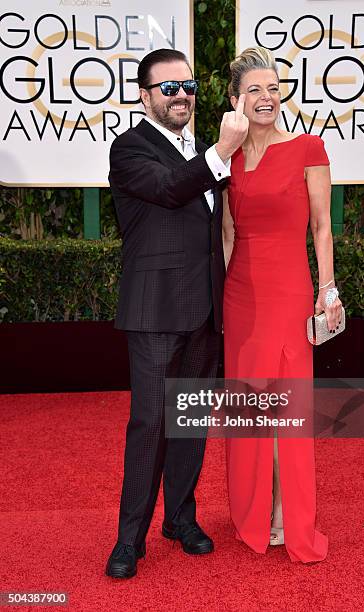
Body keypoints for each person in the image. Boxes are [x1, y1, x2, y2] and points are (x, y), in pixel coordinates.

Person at [105, 48, 248, 579]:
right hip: (155, 312)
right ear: (145, 97)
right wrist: (221, 151)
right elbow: (169, 191)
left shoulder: (203, 153)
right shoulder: (130, 149)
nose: (181, 94)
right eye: (168, 88)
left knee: (189, 423)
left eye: (187, 85)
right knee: (150, 425)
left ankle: (180, 519)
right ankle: (128, 540)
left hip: (205, 311)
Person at [222, 47, 343, 563]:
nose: (266, 97)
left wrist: (328, 289)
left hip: (289, 290)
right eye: (254, 89)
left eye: (273, 88)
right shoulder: (226, 156)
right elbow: (228, 230)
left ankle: (284, 514)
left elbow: (321, 227)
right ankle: (255, 511)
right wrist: (219, 302)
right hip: (240, 295)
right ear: (235, 100)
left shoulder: (308, 148)